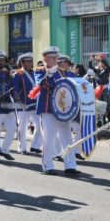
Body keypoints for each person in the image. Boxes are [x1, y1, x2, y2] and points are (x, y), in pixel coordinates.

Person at [35, 46, 80, 175]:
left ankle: (70, 165)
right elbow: (40, 86)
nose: (56, 60)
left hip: (63, 111)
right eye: (53, 58)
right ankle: (47, 165)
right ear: (45, 59)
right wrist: (48, 75)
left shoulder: (61, 72)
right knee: (48, 139)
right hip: (48, 109)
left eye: (56, 57)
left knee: (67, 138)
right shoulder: (40, 71)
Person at [13, 52, 43, 155]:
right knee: (22, 127)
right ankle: (22, 148)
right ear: (22, 62)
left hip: (34, 104)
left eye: (31, 61)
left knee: (40, 125)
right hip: (23, 105)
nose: (30, 63)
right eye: (27, 61)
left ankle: (35, 146)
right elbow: (15, 88)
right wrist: (17, 98)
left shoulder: (34, 73)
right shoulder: (18, 74)